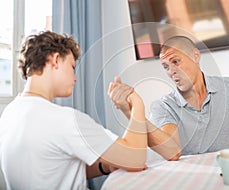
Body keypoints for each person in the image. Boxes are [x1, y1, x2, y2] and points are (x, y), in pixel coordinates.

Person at [0, 31, 178, 190]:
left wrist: (105, 166)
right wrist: (136, 103)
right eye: (72, 67)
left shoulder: (10, 113)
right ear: (55, 60)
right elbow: (136, 159)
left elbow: (50, 170)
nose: (75, 78)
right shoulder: (64, 120)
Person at [110, 36, 229, 156]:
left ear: (195, 56)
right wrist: (133, 113)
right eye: (165, 66)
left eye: (175, 62)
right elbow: (172, 151)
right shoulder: (164, 106)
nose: (171, 71)